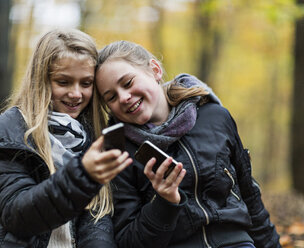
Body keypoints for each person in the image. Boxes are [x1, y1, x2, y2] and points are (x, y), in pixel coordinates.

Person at [93, 40, 281, 248]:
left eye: (128, 83)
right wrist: (164, 202)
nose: (124, 97)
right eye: (111, 97)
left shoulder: (215, 117)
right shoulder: (119, 151)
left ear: (154, 70)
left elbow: (250, 197)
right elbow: (128, 242)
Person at [0, 30, 132, 247]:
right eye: (63, 82)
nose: (76, 94)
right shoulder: (6, 133)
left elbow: (97, 222)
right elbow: (18, 216)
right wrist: (83, 174)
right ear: (41, 80)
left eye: (86, 83)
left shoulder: (93, 137)